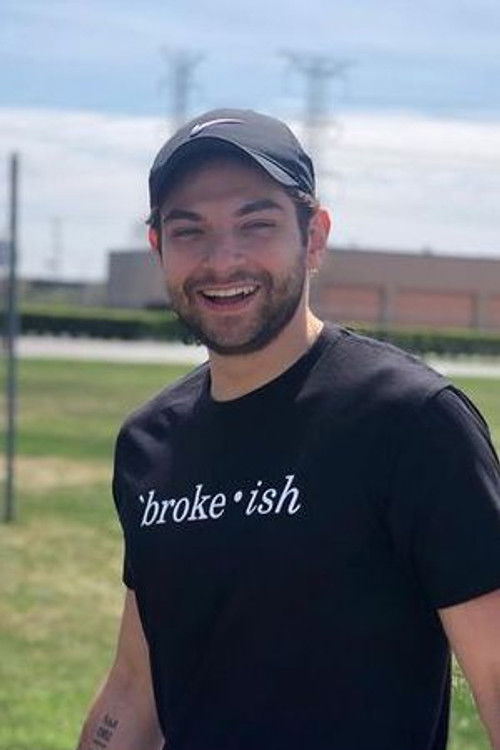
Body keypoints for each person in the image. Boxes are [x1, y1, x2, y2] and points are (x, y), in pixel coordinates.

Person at [76, 109, 500, 750]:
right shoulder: (149, 443)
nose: (223, 260)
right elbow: (136, 686)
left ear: (315, 236)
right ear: (159, 248)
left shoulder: (409, 421)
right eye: (189, 231)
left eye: (257, 224)